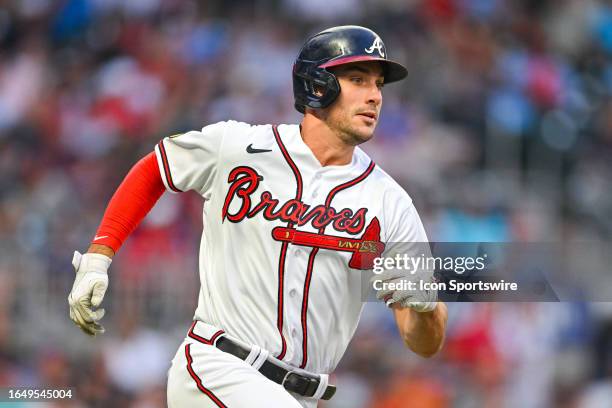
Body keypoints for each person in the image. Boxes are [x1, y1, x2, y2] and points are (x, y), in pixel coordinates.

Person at [68, 25, 448, 407]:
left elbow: (423, 343)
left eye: (379, 84)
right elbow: (155, 169)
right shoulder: (239, 147)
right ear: (317, 85)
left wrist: (425, 309)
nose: (375, 97)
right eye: (358, 79)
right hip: (219, 366)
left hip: (302, 396)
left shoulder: (389, 202)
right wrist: (99, 257)